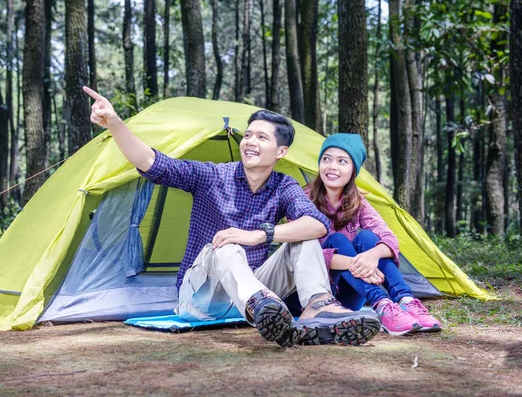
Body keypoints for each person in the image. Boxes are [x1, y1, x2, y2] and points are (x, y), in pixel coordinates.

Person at [83, 86, 380, 347]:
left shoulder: (283, 185)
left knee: (304, 240)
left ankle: (317, 307)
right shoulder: (212, 175)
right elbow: (152, 162)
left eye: (262, 137)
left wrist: (261, 235)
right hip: (202, 298)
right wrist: (115, 123)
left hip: (254, 293)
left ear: (281, 151)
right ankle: (263, 308)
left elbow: (317, 224)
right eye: (248, 135)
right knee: (226, 244)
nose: (250, 141)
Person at [306, 133, 442, 336]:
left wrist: (372, 256)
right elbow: (309, 256)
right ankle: (381, 304)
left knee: (368, 239)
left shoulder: (357, 201)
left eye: (342, 161)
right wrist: (360, 265)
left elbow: (389, 238)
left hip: (351, 293)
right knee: (337, 240)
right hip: (318, 295)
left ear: (353, 170)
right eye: (326, 159)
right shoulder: (302, 199)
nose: (332, 166)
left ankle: (405, 300)